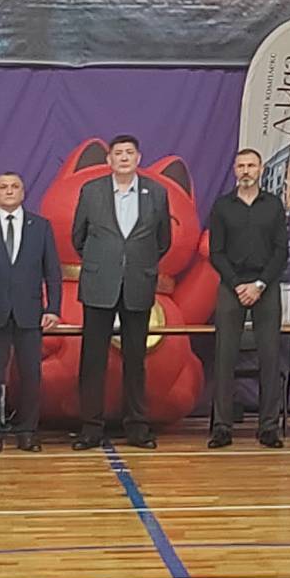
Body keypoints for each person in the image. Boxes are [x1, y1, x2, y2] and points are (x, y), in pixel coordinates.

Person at [72, 135, 174, 450]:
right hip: (99, 284)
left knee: (136, 359)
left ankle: (138, 427)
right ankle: (91, 428)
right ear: (109, 160)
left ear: (139, 158)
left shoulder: (156, 192)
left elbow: (163, 241)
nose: (124, 158)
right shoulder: (91, 191)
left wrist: (136, 263)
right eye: (118, 153)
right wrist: (106, 261)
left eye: (130, 152)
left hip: (138, 283)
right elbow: (78, 238)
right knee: (93, 360)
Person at [0, 172, 62, 453]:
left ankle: (27, 432)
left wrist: (53, 308)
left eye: (14, 186)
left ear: (23, 193)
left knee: (30, 376)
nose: (9, 191)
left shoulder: (40, 227)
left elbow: (52, 272)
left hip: (30, 313)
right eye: (3, 187)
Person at [206, 147, 290, 450]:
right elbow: (216, 252)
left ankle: (268, 427)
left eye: (251, 165)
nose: (246, 171)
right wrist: (238, 284)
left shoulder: (274, 206)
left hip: (265, 286)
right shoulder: (222, 206)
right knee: (224, 357)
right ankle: (222, 427)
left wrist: (259, 284)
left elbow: (281, 251)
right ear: (234, 170)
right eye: (241, 165)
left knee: (269, 357)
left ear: (261, 169)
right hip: (232, 286)